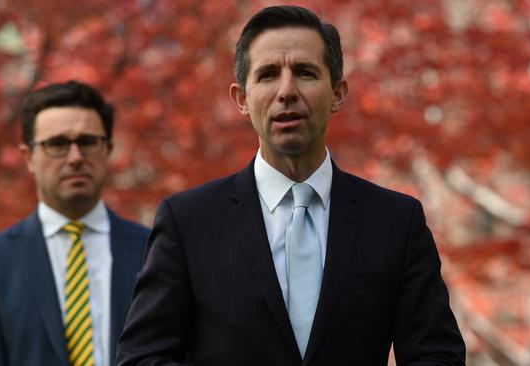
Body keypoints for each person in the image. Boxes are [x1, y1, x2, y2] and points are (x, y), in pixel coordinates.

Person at [117, 5, 465, 366]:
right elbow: (143, 358)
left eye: (305, 72)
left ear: (338, 93)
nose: (287, 91)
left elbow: (438, 355)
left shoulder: (395, 221)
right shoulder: (187, 222)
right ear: (241, 99)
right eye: (268, 75)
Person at [0, 80, 151, 366]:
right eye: (57, 144)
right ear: (28, 157)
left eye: (87, 142)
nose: (75, 158)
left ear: (108, 149)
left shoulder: (154, 249)